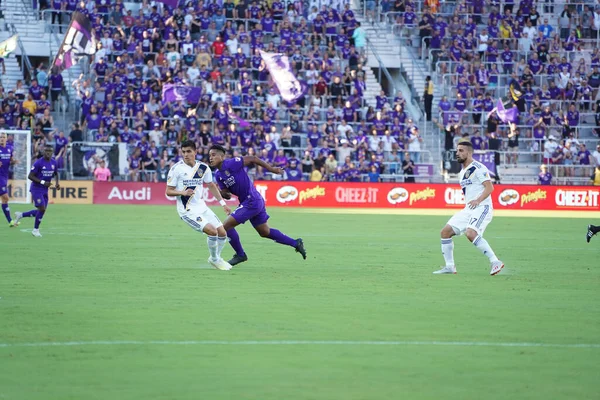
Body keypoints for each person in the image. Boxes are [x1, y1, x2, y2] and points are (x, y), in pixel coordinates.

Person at [208, 144, 306, 266]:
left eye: (213, 155)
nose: (210, 158)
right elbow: (227, 194)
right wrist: (222, 193)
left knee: (226, 227)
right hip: (251, 201)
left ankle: (240, 254)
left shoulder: (232, 163)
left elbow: (253, 158)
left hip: (252, 200)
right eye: (209, 156)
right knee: (264, 232)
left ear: (222, 156)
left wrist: (272, 169)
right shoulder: (218, 175)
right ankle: (296, 243)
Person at [434, 140, 504, 275]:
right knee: (445, 232)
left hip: (482, 207)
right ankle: (450, 266)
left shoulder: (478, 167)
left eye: (461, 151)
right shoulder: (463, 172)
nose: (457, 153)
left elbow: (490, 187)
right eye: (457, 151)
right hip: (469, 209)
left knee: (471, 233)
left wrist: (478, 200)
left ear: (469, 153)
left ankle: (495, 261)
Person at [166, 140, 232, 271]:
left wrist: (223, 204)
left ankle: (216, 258)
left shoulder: (203, 168)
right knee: (212, 231)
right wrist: (182, 192)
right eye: (183, 152)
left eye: (189, 151)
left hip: (202, 207)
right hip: (187, 210)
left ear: (195, 152)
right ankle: (214, 260)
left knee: (222, 232)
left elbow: (211, 186)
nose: (186, 154)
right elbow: (168, 191)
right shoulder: (176, 169)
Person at [13, 145, 60, 237]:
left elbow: (56, 173)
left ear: (52, 152)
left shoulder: (54, 162)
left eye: (50, 151)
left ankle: (21, 215)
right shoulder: (38, 163)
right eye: (46, 151)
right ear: (43, 151)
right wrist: (43, 182)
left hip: (45, 189)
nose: (48, 153)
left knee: (42, 210)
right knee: (42, 208)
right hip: (36, 188)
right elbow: (30, 176)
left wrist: (57, 183)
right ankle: (35, 230)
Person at [0, 132, 18, 227]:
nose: (2, 138)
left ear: (7, 139)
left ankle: (10, 222)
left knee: (4, 200)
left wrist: (14, 162)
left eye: (4, 137)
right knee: (5, 197)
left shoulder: (9, 148)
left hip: (4, 176)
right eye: (1, 137)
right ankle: (10, 221)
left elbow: (10, 160)